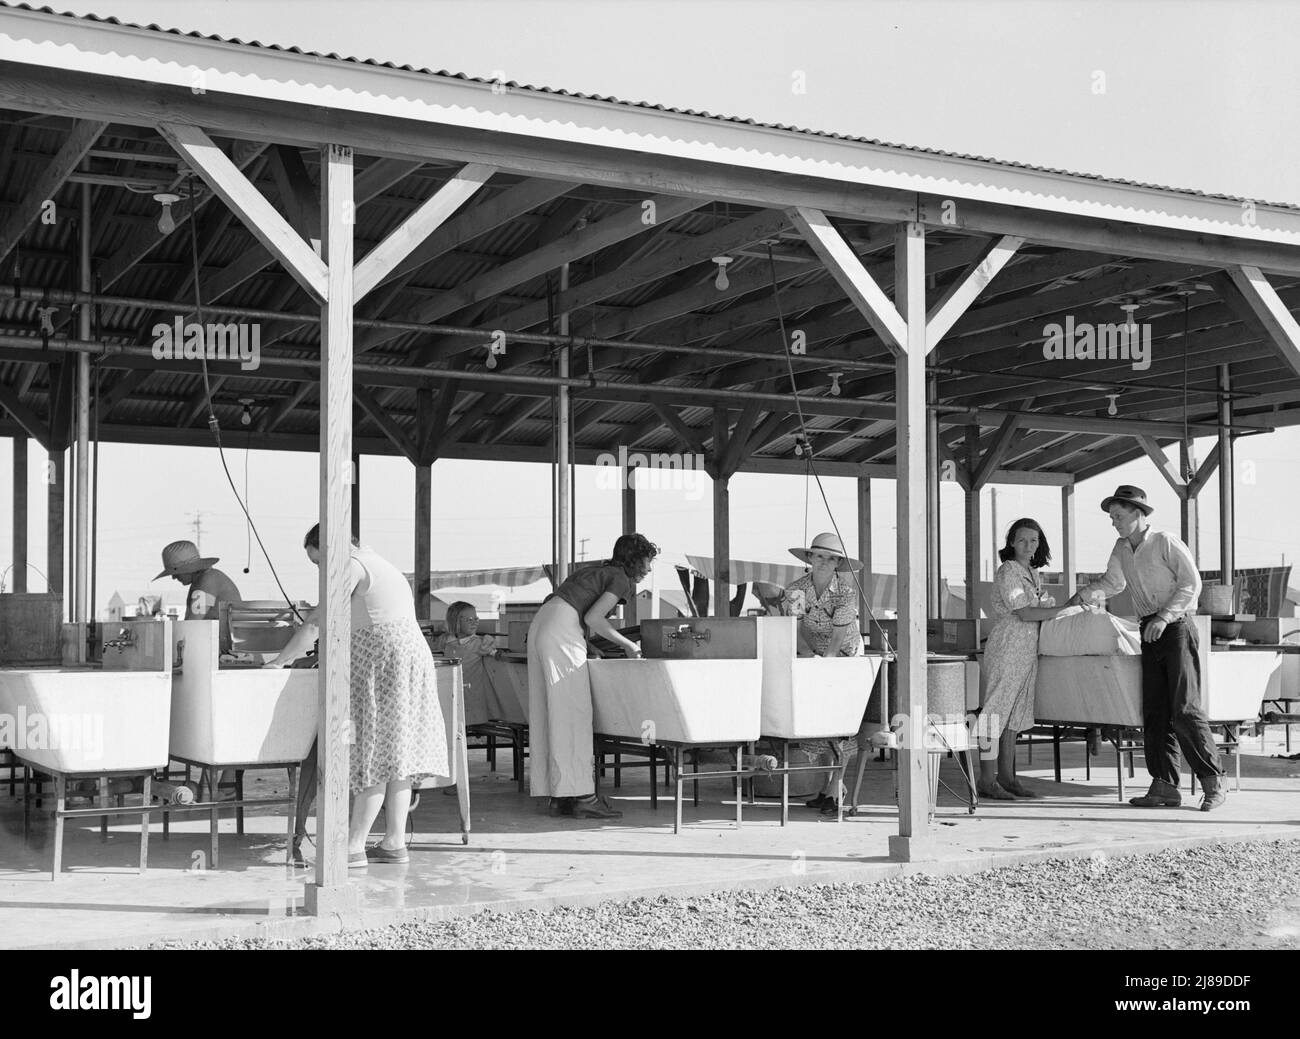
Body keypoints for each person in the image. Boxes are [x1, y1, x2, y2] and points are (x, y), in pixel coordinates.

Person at [266, 525, 448, 867]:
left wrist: (278, 661)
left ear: (332, 547)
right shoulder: (378, 563)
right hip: (407, 659)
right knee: (398, 756)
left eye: (320, 562)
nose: (322, 571)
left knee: (373, 753)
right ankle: (394, 842)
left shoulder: (350, 564)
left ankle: (352, 846)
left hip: (386, 661)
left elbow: (317, 622)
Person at [1066, 485, 1225, 811]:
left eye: (1119, 516)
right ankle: (1164, 785)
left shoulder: (1165, 541)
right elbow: (1112, 583)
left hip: (1177, 627)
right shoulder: (1122, 548)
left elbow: (1191, 584)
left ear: (1138, 513)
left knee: (1184, 707)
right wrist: (1079, 599)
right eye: (1112, 517)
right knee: (1154, 711)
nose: (1114, 522)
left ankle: (1213, 783)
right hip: (1148, 629)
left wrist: (1165, 617)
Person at [529, 533, 658, 820]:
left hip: (543, 624)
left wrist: (588, 644)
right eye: (647, 561)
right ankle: (585, 798)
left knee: (550, 713)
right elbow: (593, 619)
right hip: (562, 630)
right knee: (574, 714)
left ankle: (559, 795)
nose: (649, 569)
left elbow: (566, 606)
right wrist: (629, 645)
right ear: (634, 560)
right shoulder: (620, 578)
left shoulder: (593, 570)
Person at [979, 519, 1069, 800]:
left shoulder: (1032, 572)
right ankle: (986, 778)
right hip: (1008, 646)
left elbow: (1034, 610)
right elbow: (1025, 613)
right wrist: (1064, 609)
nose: (1028, 545)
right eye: (1022, 540)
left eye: (1033, 540)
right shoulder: (1009, 571)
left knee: (1014, 716)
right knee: (995, 711)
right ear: (1011, 543)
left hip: (1027, 649)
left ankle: (1007, 777)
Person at [781, 532, 863, 815]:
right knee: (817, 724)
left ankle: (836, 787)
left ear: (838, 562)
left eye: (831, 558)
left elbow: (840, 635)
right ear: (810, 558)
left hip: (843, 659)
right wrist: (808, 657)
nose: (824, 562)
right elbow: (795, 627)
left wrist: (826, 663)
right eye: (819, 556)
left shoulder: (846, 592)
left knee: (842, 725)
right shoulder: (796, 588)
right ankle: (829, 787)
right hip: (812, 658)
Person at [154, 540, 242, 655]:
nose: (174, 577)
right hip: (227, 649)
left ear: (187, 569)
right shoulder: (207, 578)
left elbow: (192, 623)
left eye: (176, 572)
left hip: (230, 654)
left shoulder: (207, 581)